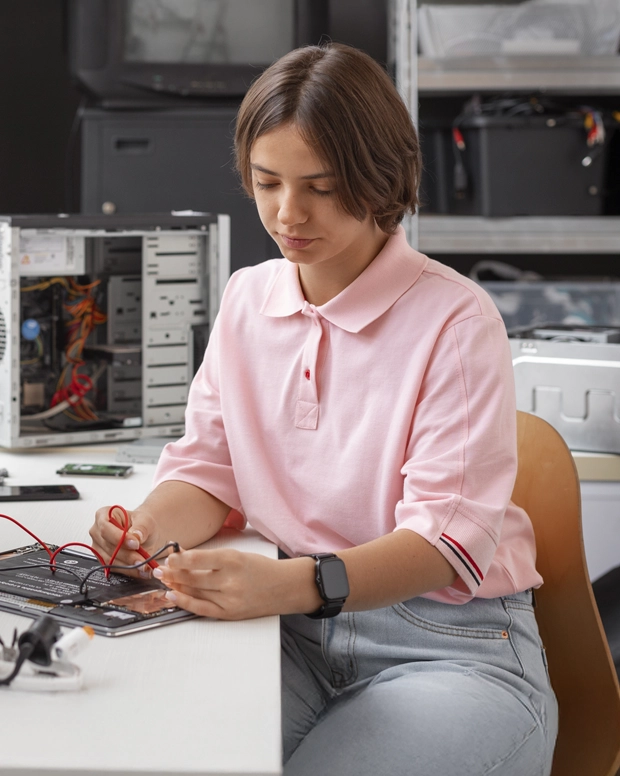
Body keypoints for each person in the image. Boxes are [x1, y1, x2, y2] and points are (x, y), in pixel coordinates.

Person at [88, 43, 557, 775]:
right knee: (144, 746)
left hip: (449, 649)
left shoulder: (456, 320)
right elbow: (210, 471)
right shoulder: (248, 298)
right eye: (266, 182)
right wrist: (146, 529)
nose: (288, 213)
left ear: (381, 177)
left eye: (322, 187)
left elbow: (444, 544)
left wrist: (290, 584)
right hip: (289, 639)